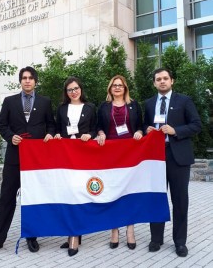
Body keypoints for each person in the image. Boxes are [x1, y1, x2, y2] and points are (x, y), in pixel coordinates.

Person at [0, 66, 56, 257]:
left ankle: (32, 236)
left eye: (30, 78)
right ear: (20, 81)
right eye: (24, 78)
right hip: (14, 158)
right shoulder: (10, 101)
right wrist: (10, 136)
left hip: (36, 160)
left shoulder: (45, 102)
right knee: (7, 198)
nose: (27, 81)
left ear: (35, 81)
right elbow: (2, 126)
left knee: (33, 198)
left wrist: (50, 134)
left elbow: (51, 124)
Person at [144, 68, 201, 257]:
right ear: (154, 83)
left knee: (180, 201)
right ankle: (156, 239)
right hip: (156, 158)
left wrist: (175, 130)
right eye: (158, 79)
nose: (162, 81)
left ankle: (180, 242)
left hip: (178, 157)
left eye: (165, 78)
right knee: (156, 199)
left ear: (172, 81)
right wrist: (147, 130)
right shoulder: (149, 103)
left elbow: (196, 125)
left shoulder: (184, 100)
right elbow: (144, 125)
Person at [97, 75, 143, 250]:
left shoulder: (134, 105)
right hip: (109, 154)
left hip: (130, 154)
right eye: (114, 85)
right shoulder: (103, 106)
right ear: (110, 88)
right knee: (113, 192)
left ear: (125, 88)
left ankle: (130, 230)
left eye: (120, 85)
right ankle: (114, 230)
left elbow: (141, 124)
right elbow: (97, 125)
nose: (117, 88)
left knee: (129, 192)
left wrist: (139, 131)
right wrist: (100, 132)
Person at [55, 76, 97, 256]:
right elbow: (56, 128)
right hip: (66, 156)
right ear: (66, 92)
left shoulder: (90, 107)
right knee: (68, 193)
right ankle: (73, 234)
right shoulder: (61, 108)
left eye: (76, 88)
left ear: (81, 89)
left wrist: (90, 135)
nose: (73, 92)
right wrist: (55, 134)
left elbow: (96, 128)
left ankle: (75, 235)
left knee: (80, 193)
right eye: (70, 89)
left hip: (83, 155)